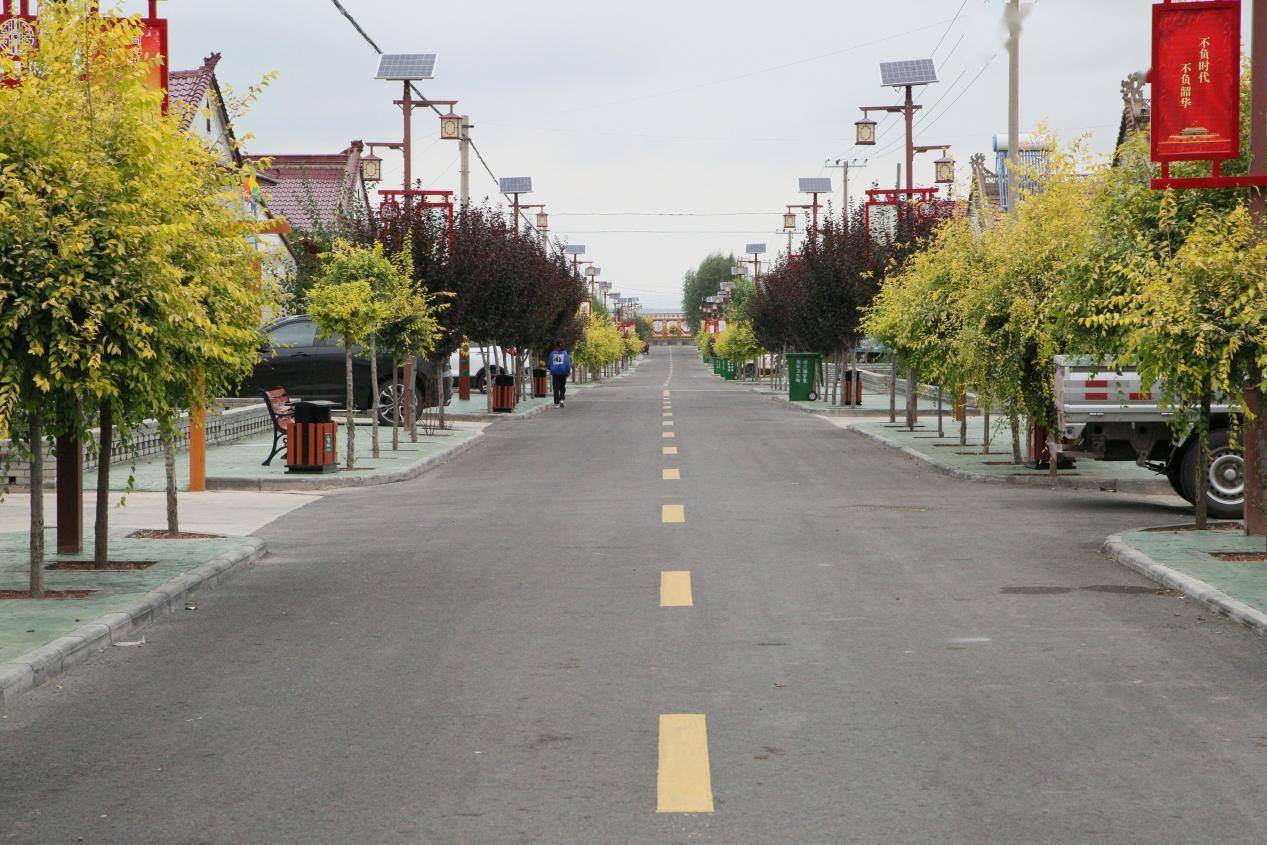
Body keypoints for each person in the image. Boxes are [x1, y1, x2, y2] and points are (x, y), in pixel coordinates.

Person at [547, 341, 572, 407]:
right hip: (563, 373)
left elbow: (549, 364)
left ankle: (556, 403)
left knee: (556, 388)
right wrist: (568, 371)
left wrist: (551, 369)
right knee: (562, 387)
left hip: (555, 373)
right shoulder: (565, 354)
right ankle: (561, 400)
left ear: (556, 345)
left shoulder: (552, 354)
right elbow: (567, 364)